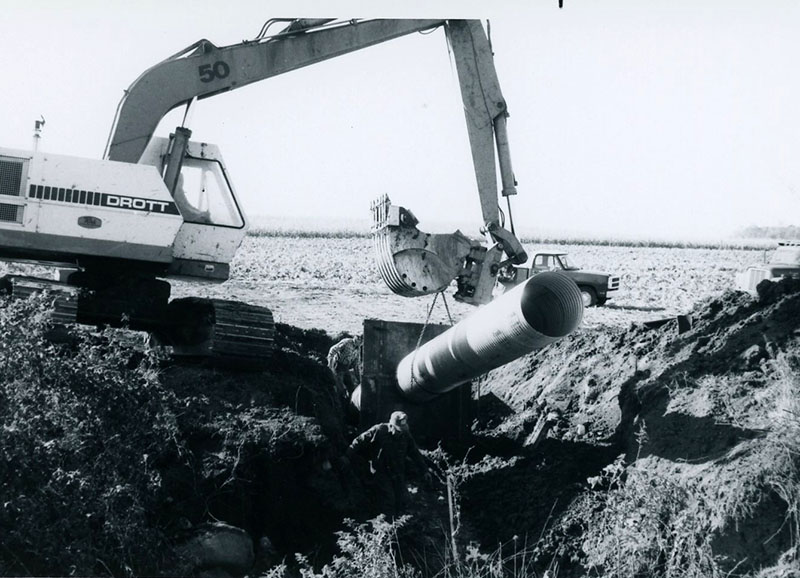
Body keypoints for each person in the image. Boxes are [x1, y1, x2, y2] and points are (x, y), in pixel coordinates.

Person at [341, 411, 431, 516]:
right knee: (388, 501)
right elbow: (359, 441)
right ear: (391, 426)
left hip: (398, 472)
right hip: (381, 472)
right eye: (398, 430)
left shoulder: (405, 435)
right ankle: (386, 527)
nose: (400, 433)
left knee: (403, 500)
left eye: (402, 430)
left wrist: (425, 470)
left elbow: (415, 453)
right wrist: (347, 456)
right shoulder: (379, 430)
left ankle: (399, 525)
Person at [327, 334, 362, 402]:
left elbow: (356, 364)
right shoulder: (346, 342)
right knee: (341, 388)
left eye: (361, 341)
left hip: (346, 368)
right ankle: (340, 404)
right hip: (337, 365)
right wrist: (330, 363)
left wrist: (359, 379)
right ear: (355, 338)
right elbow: (333, 349)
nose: (359, 342)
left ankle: (350, 404)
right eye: (358, 339)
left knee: (351, 387)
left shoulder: (357, 349)